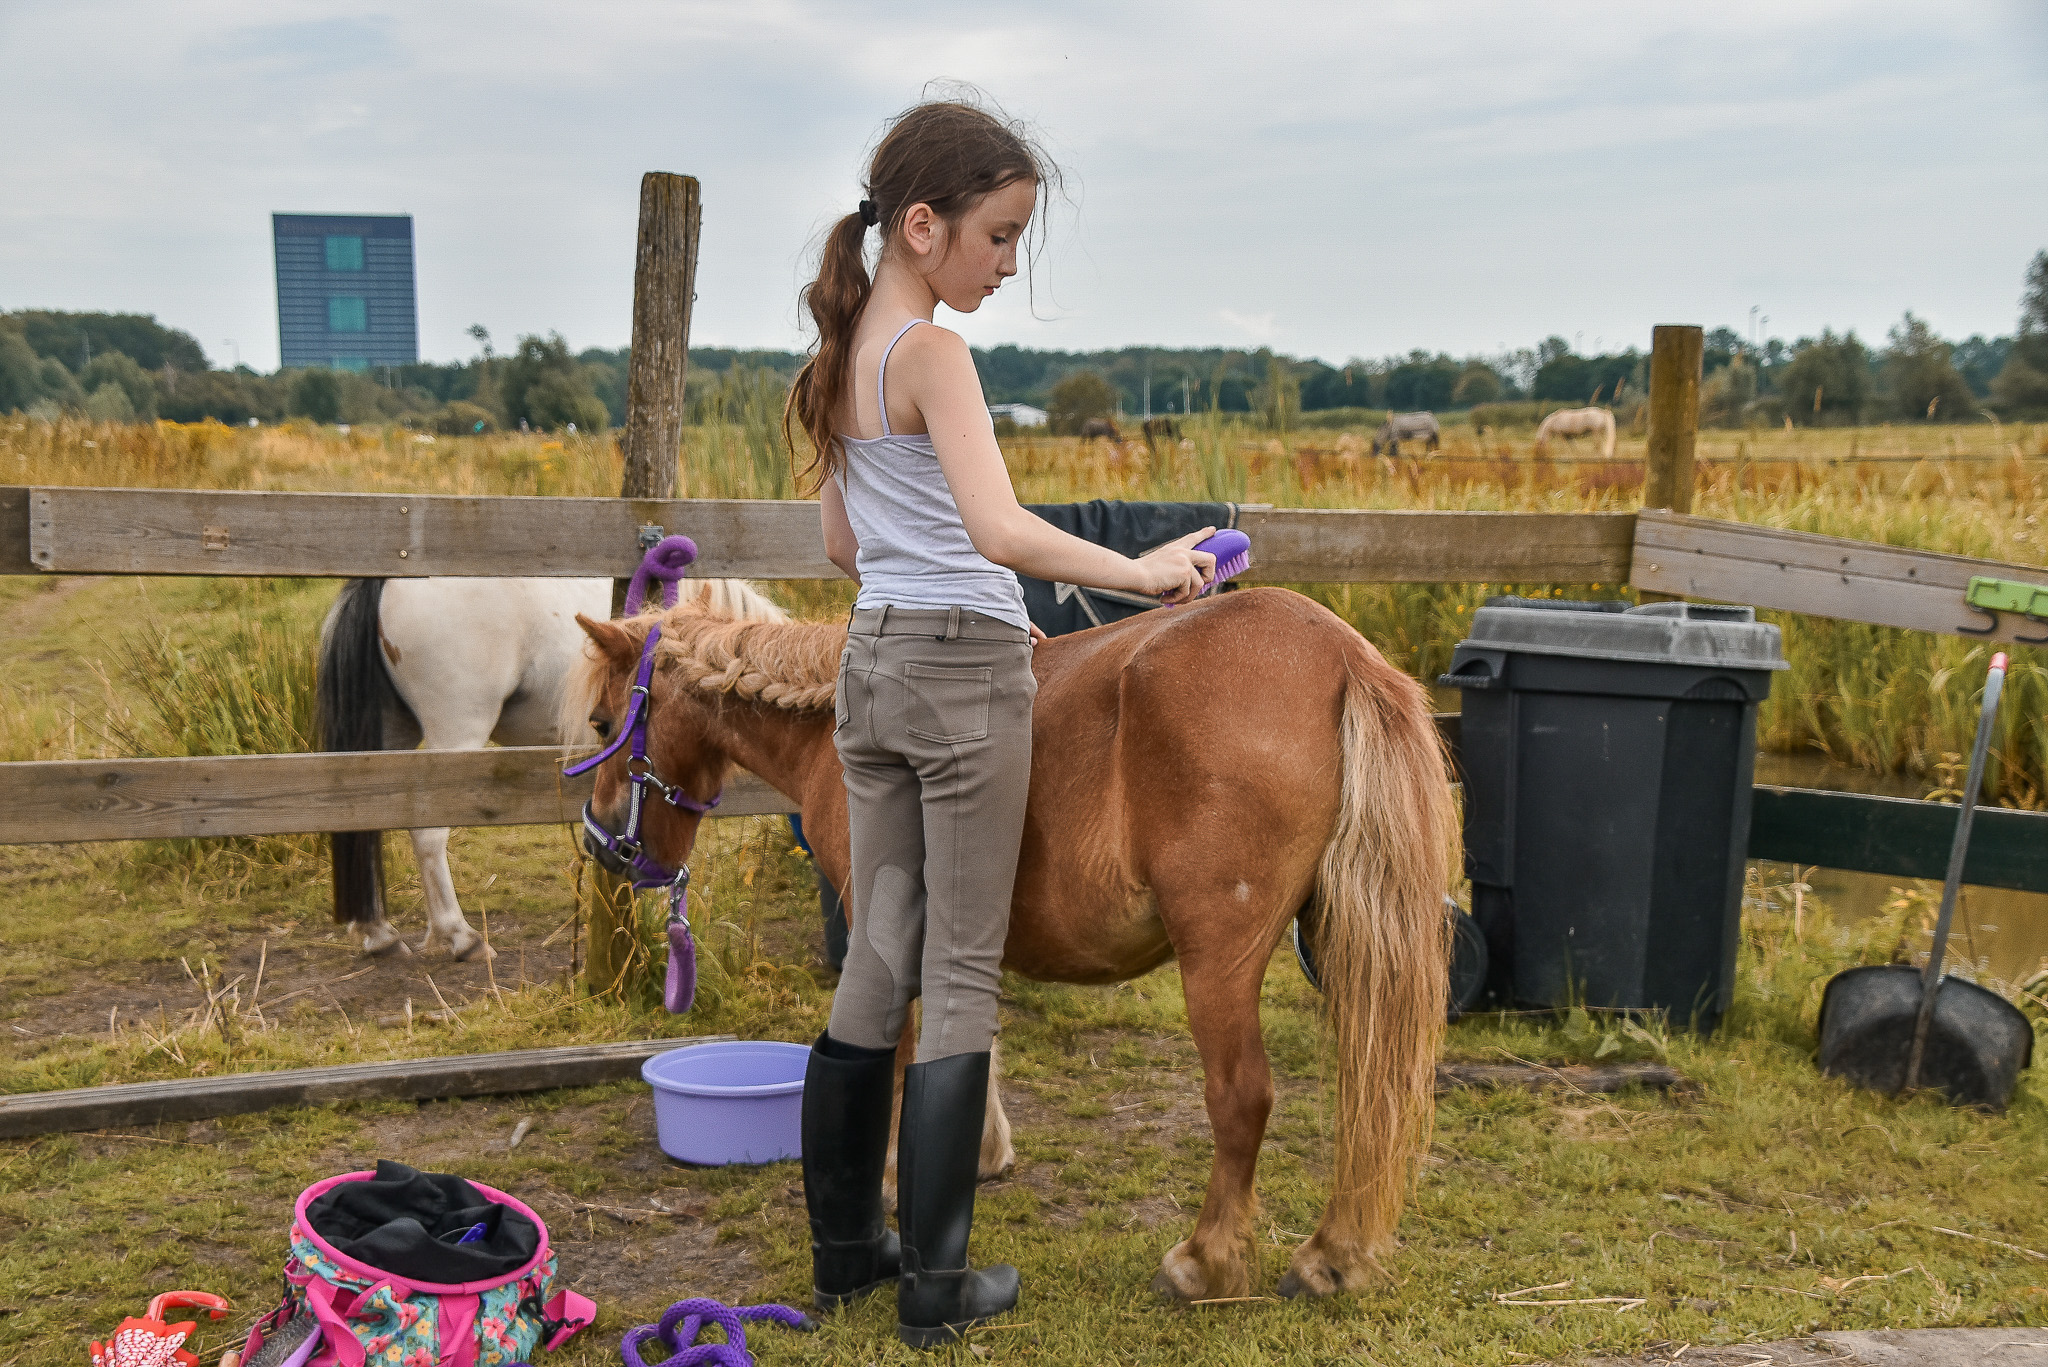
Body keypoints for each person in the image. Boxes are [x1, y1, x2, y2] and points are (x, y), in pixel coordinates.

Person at [785, 97, 1217, 1349]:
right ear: (920, 226)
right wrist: (1144, 573)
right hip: (963, 677)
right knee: (963, 965)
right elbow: (998, 532)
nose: (1007, 260)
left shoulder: (832, 361)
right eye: (998, 233)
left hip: (872, 668)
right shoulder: (934, 356)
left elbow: (842, 542)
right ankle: (937, 1280)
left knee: (880, 946)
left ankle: (845, 1254)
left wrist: (953, 596)